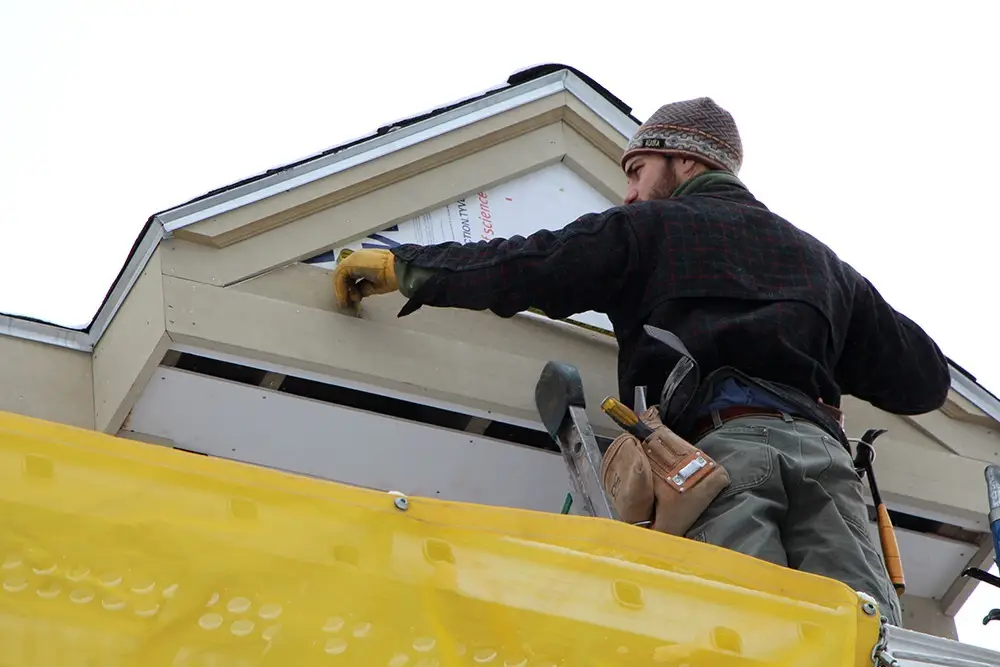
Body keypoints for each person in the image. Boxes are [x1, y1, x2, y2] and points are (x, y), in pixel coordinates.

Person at [331, 96, 951, 625]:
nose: (627, 191)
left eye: (636, 170)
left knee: (745, 629)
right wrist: (808, 330)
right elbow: (924, 379)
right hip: (827, 468)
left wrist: (405, 268)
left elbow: (527, 265)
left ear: (685, 161)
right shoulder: (821, 263)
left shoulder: (648, 230)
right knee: (861, 637)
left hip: (714, 461)